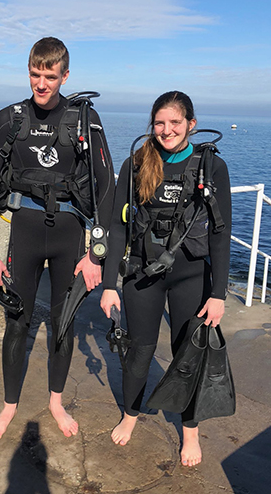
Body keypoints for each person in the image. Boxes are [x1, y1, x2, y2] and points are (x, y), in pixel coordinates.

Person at [0, 37, 115, 441]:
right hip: (25, 233)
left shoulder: (84, 118)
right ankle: (9, 405)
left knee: (62, 323)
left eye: (50, 76)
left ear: (65, 75)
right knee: (16, 323)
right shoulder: (10, 118)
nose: (42, 84)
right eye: (35, 74)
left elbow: (106, 187)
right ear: (29, 71)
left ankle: (56, 401)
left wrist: (96, 254)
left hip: (70, 236)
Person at [100, 91, 231, 467]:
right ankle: (130, 414)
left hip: (192, 275)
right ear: (151, 125)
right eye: (159, 123)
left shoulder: (211, 166)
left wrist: (218, 293)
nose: (166, 130)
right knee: (138, 351)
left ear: (191, 123)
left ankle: (190, 430)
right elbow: (116, 228)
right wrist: (111, 284)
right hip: (143, 274)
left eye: (175, 122)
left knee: (187, 354)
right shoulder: (136, 164)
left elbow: (221, 234)